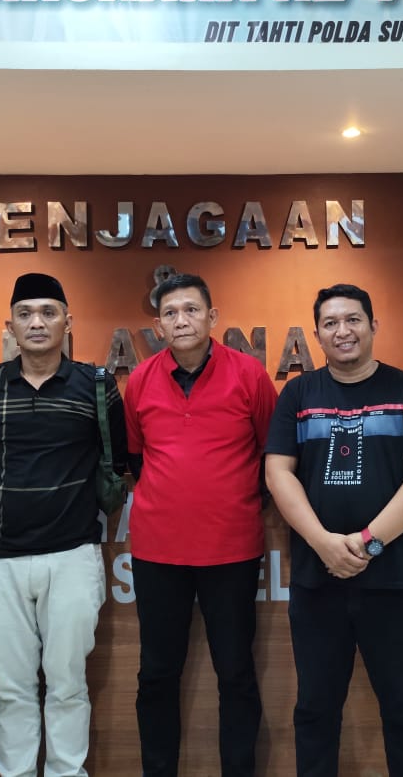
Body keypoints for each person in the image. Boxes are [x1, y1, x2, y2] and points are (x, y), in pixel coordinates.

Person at [264, 283, 403, 777]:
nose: (342, 331)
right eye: (330, 323)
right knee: (315, 708)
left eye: (353, 320)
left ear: (373, 326)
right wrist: (324, 544)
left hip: (395, 580)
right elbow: (278, 473)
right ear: (317, 334)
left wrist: (367, 544)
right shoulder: (298, 394)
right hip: (317, 579)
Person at [0, 272, 125, 777]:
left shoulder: (95, 385)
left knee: (68, 685)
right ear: (9, 325)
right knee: (10, 689)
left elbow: (117, 459)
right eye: (26, 314)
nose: (37, 322)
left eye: (48, 312)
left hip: (73, 554)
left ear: (67, 322)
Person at [124, 272, 277, 777]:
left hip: (231, 549)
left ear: (212, 317)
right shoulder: (140, 380)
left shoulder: (249, 375)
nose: (181, 320)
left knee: (235, 672)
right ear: (158, 326)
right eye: (170, 313)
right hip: (157, 551)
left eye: (191, 310)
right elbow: (137, 459)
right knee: (156, 674)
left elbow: (271, 453)